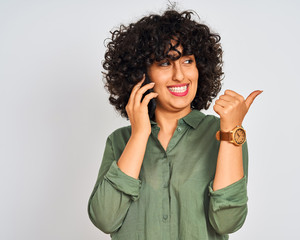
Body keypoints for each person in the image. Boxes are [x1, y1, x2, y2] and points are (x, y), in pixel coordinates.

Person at [88, 8, 262, 240]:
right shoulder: (119, 141)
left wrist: (231, 132)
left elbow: (227, 222)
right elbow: (104, 219)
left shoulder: (222, 134)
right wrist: (139, 135)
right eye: (165, 63)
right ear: (142, 74)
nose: (180, 75)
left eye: (188, 61)